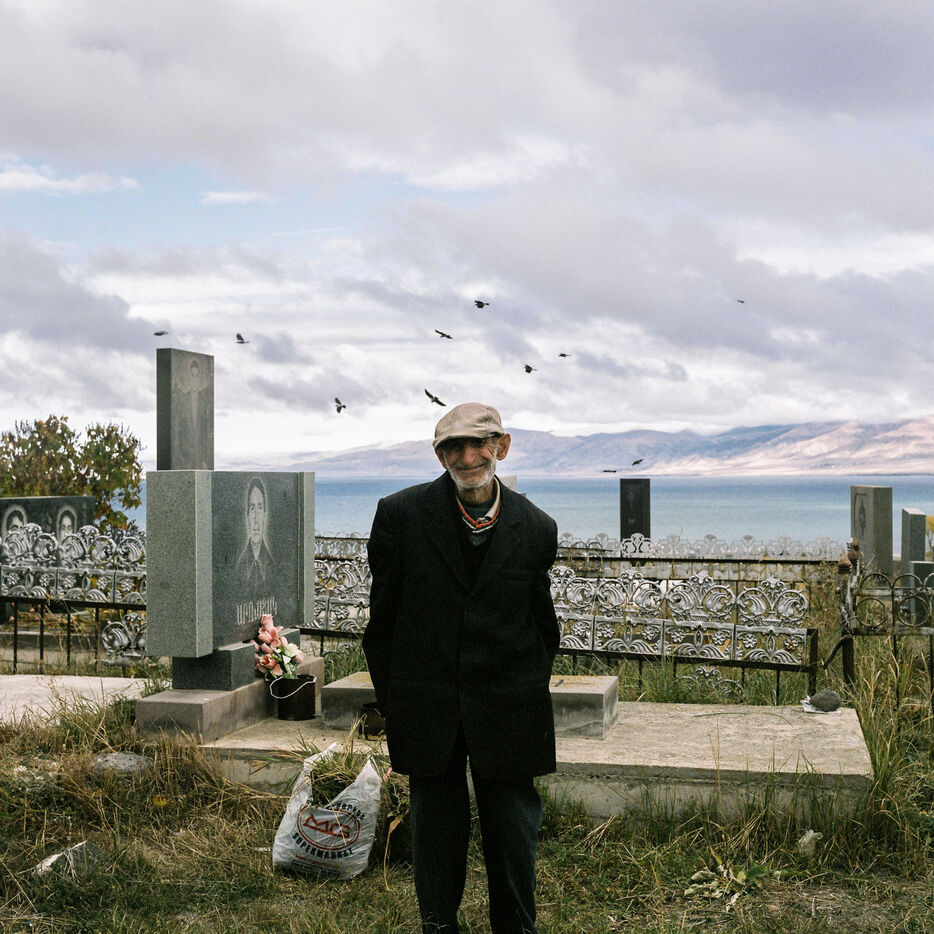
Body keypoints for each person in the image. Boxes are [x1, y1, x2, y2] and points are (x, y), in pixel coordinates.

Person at [363, 402, 559, 934]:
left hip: (508, 707)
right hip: (428, 705)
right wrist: (398, 702)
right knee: (436, 833)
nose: (468, 457)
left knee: (513, 832)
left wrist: (524, 688)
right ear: (439, 455)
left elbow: (543, 626)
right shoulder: (401, 516)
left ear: (503, 447)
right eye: (453, 447)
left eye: (480, 444)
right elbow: (383, 623)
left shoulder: (536, 527)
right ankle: (439, 926)